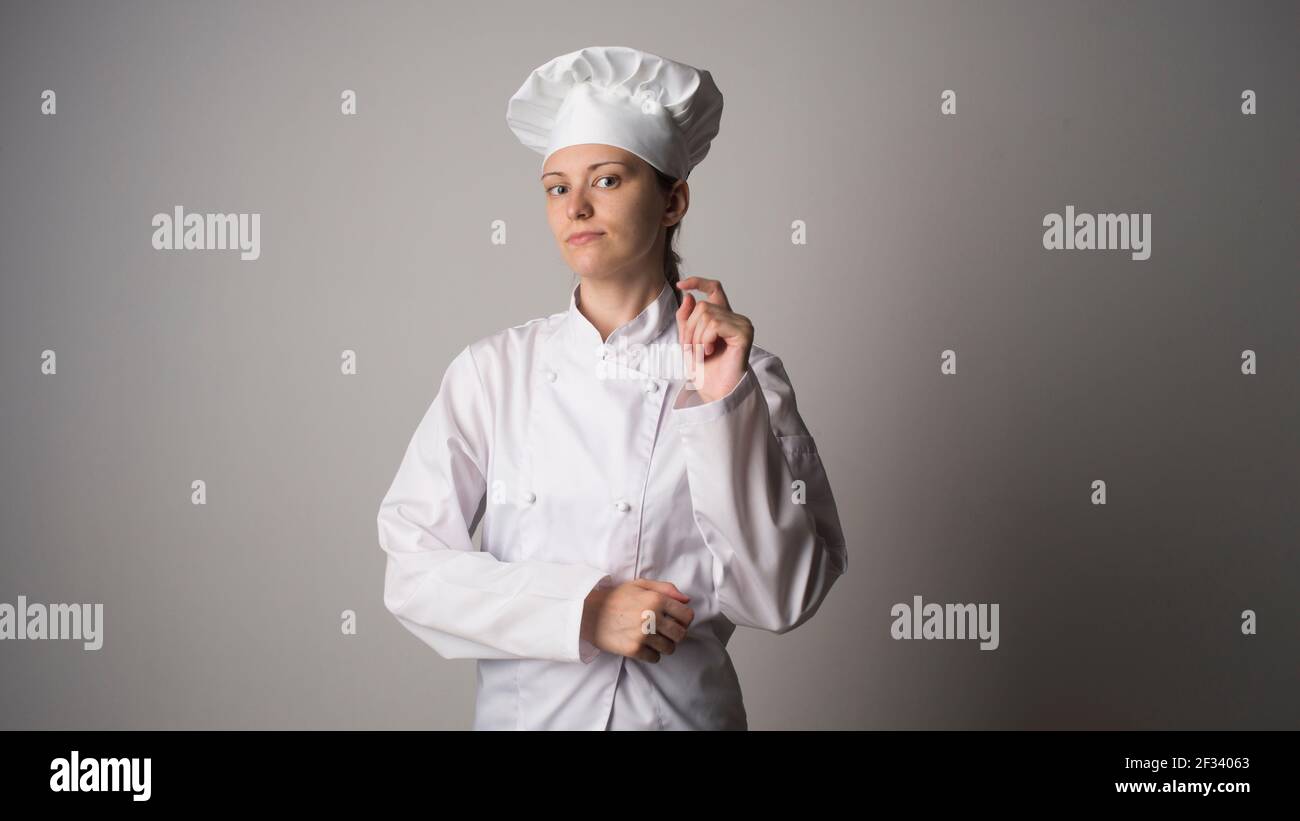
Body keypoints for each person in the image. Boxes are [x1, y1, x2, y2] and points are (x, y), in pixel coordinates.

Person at [377, 45, 847, 730]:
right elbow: (412, 570)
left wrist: (722, 405)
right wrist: (585, 609)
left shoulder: (744, 374)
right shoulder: (492, 372)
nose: (578, 207)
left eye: (608, 179)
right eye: (558, 187)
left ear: (672, 199)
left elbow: (782, 596)